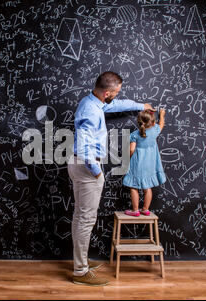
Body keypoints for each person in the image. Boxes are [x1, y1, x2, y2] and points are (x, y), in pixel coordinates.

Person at [67, 71, 156, 286]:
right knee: (86, 219)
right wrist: (96, 172)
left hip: (79, 164)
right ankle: (80, 271)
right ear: (107, 92)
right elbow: (84, 145)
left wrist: (139, 105)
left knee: (81, 216)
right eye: (115, 93)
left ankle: (81, 261)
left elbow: (115, 106)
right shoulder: (91, 110)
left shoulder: (93, 101)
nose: (116, 96)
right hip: (87, 166)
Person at [122, 108, 166, 216]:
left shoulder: (135, 135)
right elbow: (161, 124)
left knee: (134, 186)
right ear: (152, 122)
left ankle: (135, 210)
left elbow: (132, 150)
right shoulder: (155, 130)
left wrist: (126, 157)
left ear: (139, 122)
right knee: (147, 187)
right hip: (150, 164)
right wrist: (162, 115)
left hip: (137, 163)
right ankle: (145, 209)